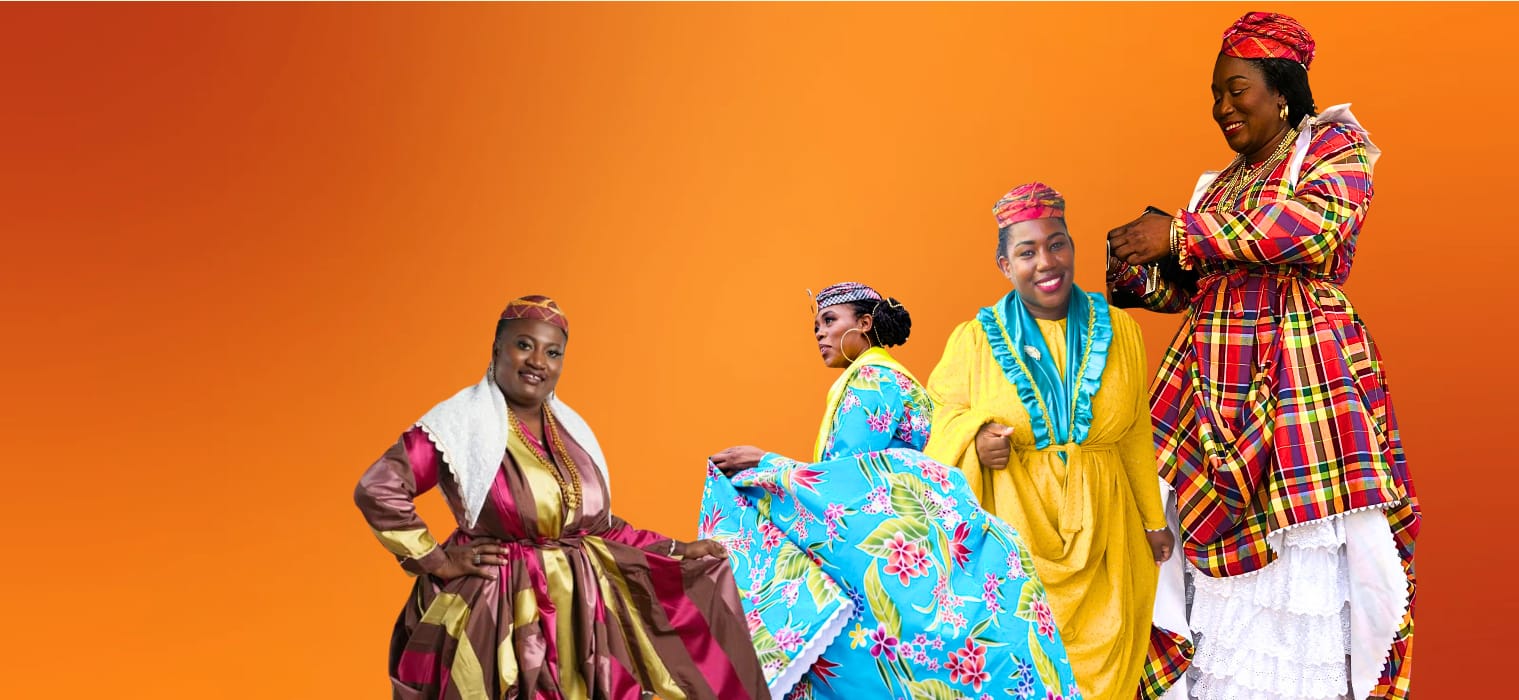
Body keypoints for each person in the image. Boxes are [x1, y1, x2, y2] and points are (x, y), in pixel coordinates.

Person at [1105, 12, 1419, 700]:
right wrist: (1136, 267)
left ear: (1281, 92)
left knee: (1297, 561)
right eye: (1215, 94)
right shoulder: (1217, 186)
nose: (1222, 107)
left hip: (1301, 382)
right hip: (1210, 384)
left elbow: (1311, 229)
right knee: (1196, 568)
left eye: (1236, 89)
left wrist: (1179, 233)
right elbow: (1191, 287)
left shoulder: (1333, 148)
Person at [354, 295, 768, 700]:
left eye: (553, 353)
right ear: (497, 348)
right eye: (524, 345)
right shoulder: (459, 422)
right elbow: (379, 488)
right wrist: (437, 561)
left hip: (581, 619)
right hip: (502, 618)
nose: (538, 361)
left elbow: (599, 530)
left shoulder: (570, 429)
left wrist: (678, 550)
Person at [700, 283, 1078, 700]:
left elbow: (850, 486)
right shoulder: (886, 376)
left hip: (903, 547)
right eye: (816, 326)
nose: (820, 333)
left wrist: (766, 465)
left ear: (864, 324)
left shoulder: (871, 380)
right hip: (922, 538)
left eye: (829, 320)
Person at [922, 183, 1181, 700]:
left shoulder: (1122, 332)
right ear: (1004, 265)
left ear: (1072, 246)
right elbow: (938, 421)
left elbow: (1134, 431)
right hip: (1018, 541)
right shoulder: (974, 341)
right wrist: (974, 440)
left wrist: (1153, 521)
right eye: (1027, 252)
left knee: (1109, 674)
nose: (1046, 262)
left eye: (1056, 244)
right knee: (1027, 674)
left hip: (1109, 537)